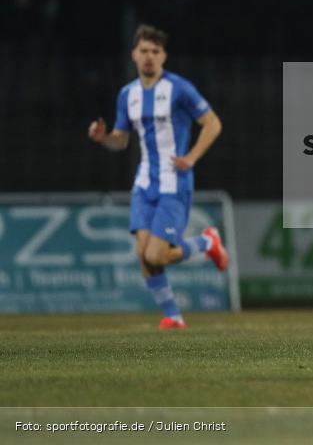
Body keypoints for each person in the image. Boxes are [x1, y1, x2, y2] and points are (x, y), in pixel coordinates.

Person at [88, 24, 227, 329]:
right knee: (143, 255)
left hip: (173, 184)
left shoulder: (179, 89)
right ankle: (173, 317)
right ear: (134, 55)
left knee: (157, 255)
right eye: (144, 51)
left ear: (164, 56)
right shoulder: (127, 95)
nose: (149, 57)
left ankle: (206, 243)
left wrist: (191, 157)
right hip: (144, 183)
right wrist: (104, 138)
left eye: (155, 52)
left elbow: (213, 123)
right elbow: (121, 140)